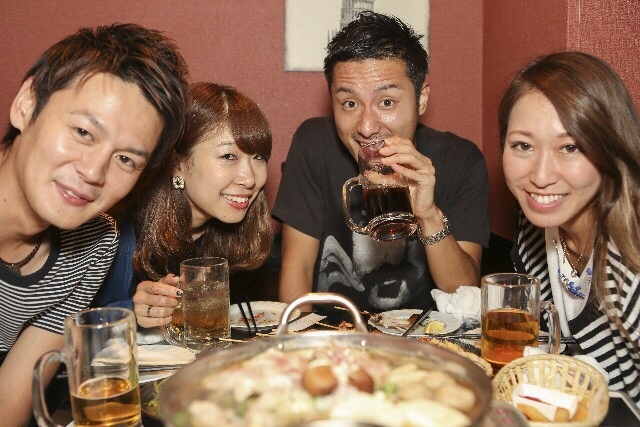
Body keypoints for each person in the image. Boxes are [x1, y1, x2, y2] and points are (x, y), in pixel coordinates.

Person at [0, 23, 188, 425]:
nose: (93, 171)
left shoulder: (93, 244)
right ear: (26, 105)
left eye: (126, 160)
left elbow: (10, 400)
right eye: (83, 132)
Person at [273, 11, 490, 312]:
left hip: (426, 336)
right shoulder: (314, 144)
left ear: (421, 99)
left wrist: (428, 215)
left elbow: (464, 293)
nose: (366, 127)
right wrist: (298, 341)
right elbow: (298, 268)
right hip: (332, 335)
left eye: (386, 102)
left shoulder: (461, 160)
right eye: (350, 103)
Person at [500, 51, 640, 406]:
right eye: (523, 145)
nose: (541, 176)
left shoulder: (631, 262)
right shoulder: (536, 223)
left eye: (570, 147)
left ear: (610, 149)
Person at [93, 82, 273, 329]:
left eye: (259, 157)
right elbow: (70, 328)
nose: (250, 179)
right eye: (228, 156)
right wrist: (132, 312)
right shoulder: (117, 233)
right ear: (177, 164)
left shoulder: (233, 238)